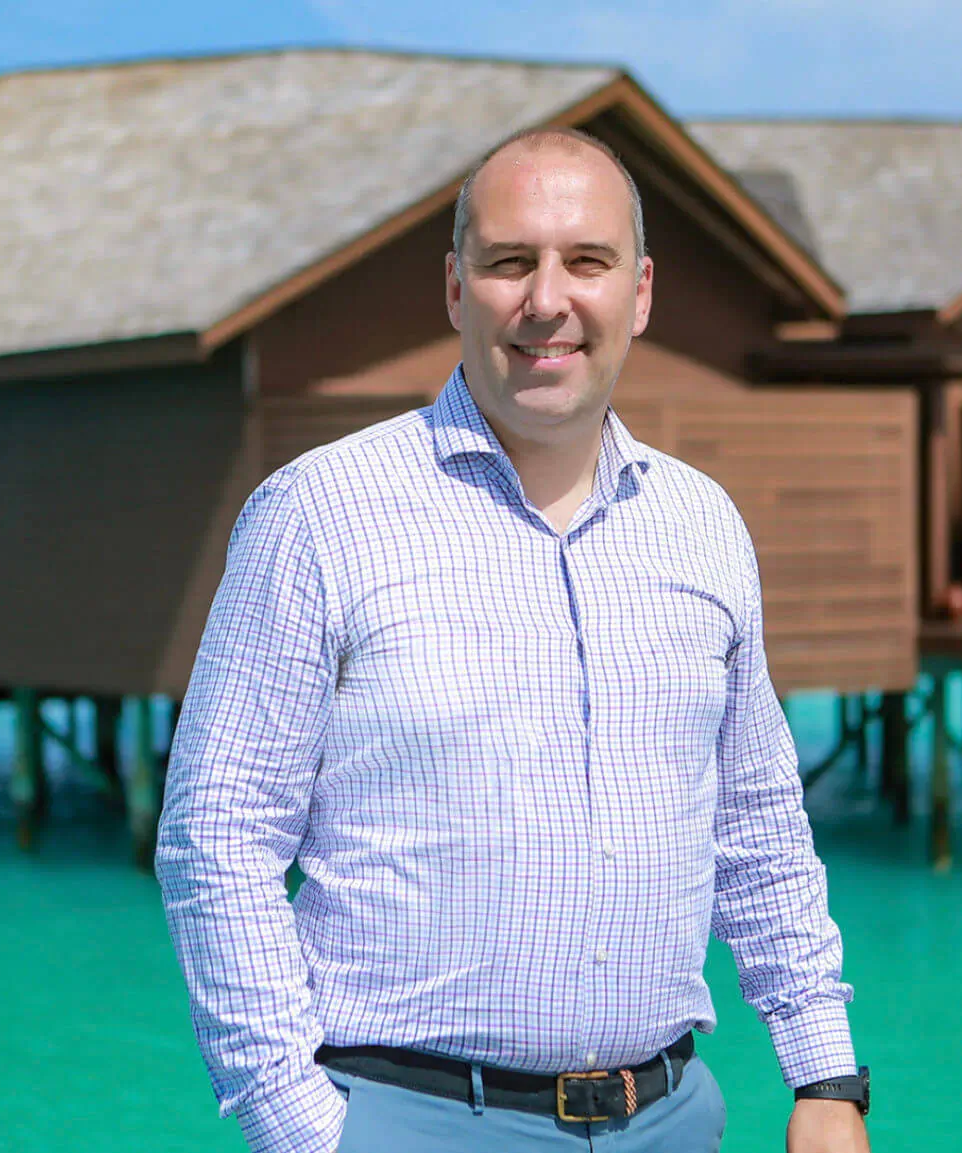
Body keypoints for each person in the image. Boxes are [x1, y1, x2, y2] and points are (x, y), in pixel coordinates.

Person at [158, 126, 871, 1153]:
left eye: (587, 260)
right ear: (457, 289)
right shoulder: (318, 513)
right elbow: (216, 839)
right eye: (508, 262)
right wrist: (303, 1130)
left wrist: (826, 1075)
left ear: (640, 292)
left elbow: (757, 823)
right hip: (410, 1122)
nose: (547, 299)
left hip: (669, 1120)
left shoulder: (704, 525)